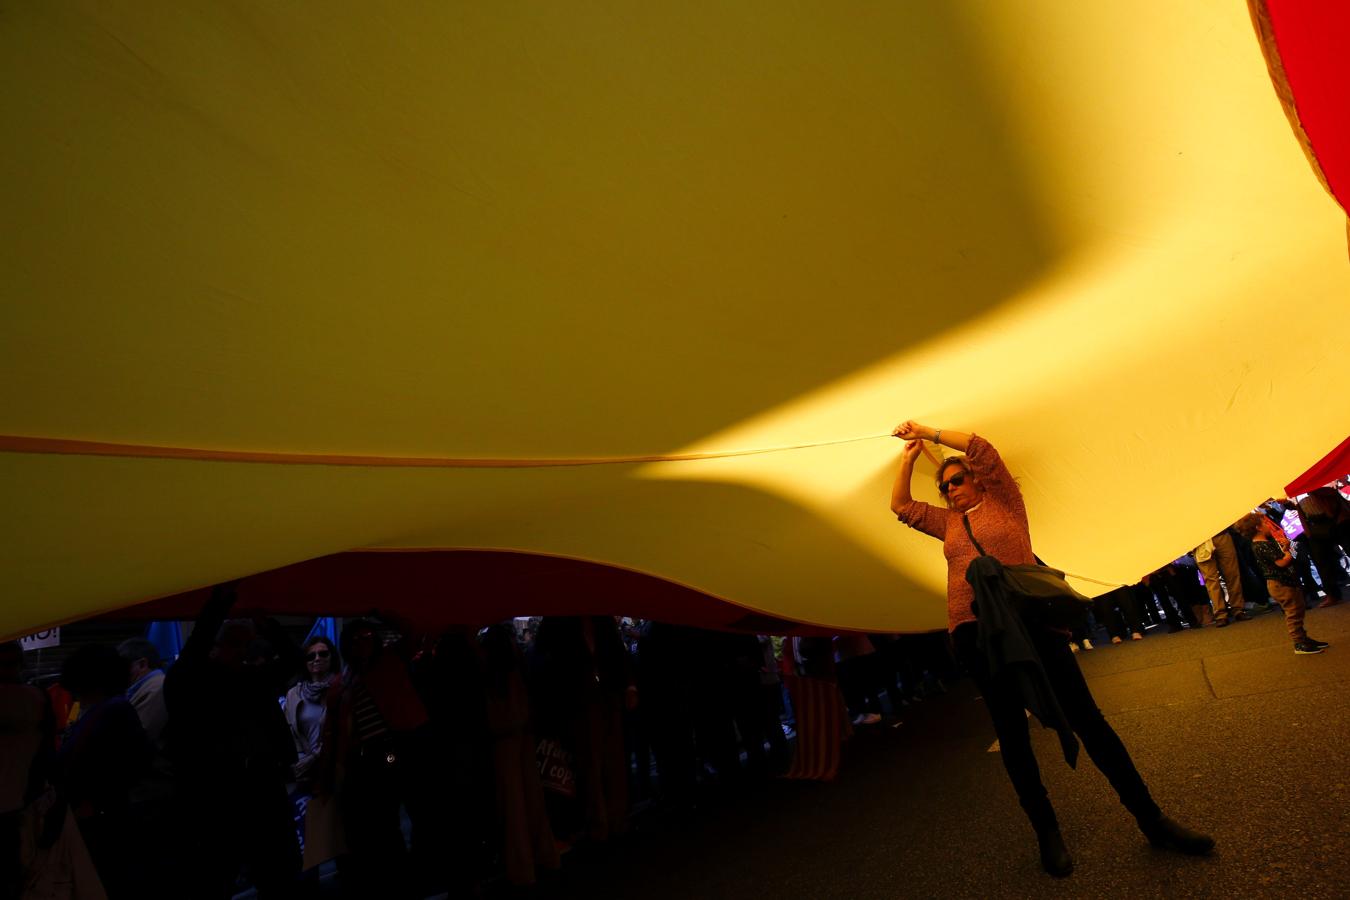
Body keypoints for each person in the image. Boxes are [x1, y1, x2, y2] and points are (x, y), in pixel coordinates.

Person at [889, 421, 1213, 877]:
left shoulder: (1005, 502)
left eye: (957, 480)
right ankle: (1047, 834)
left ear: (978, 479)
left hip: (1032, 626)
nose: (951, 490)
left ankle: (1152, 819)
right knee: (1014, 738)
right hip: (975, 633)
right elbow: (900, 505)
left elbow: (981, 447)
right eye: (944, 487)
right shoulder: (948, 525)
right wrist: (907, 459)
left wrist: (927, 433)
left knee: (1089, 722)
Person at [164, 583, 302, 899]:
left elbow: (293, 660)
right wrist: (220, 604)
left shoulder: (252, 679)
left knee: (278, 870)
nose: (242, 652)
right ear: (215, 646)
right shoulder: (190, 681)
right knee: (216, 873)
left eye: (247, 645)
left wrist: (270, 628)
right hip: (216, 791)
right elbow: (194, 651)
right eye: (234, 644)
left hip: (261, 784)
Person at [1232, 514, 1329, 655]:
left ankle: (1303, 639)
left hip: (1287, 582)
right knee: (1293, 613)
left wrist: (1287, 546)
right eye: (1264, 523)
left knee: (1298, 610)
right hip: (1280, 584)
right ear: (1258, 528)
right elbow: (1281, 562)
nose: (1268, 525)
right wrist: (1289, 552)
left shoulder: (1266, 542)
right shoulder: (1260, 546)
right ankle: (1299, 643)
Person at [284, 636, 341, 792]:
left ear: (332, 657)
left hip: (337, 767)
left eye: (323, 654)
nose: (317, 658)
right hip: (306, 771)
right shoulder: (294, 694)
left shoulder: (342, 688)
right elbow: (289, 733)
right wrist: (302, 760)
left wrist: (316, 756)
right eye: (311, 656)